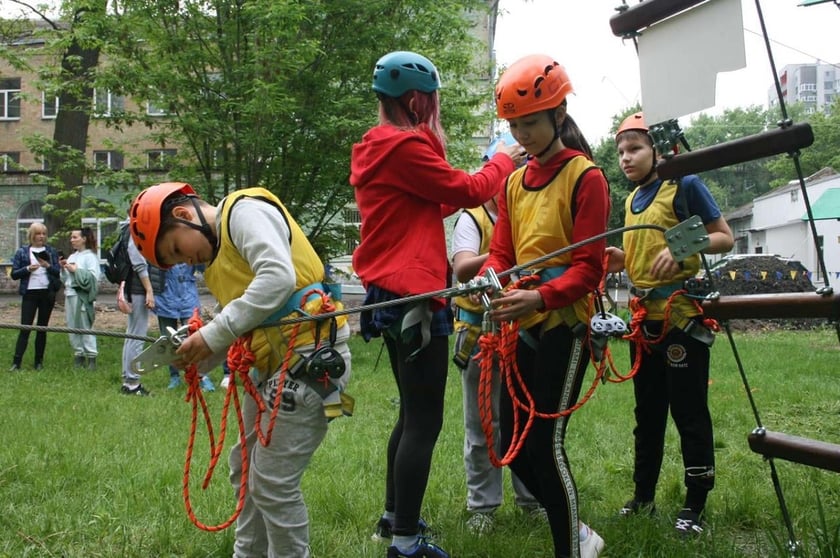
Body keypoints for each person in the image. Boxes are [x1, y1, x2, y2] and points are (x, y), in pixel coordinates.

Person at [350, 50, 526, 558]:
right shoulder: (404, 146)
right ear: (412, 100)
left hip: (391, 292)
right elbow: (468, 188)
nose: (432, 110)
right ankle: (406, 542)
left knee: (411, 413)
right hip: (415, 296)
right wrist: (501, 161)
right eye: (429, 101)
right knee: (426, 420)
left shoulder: (380, 147)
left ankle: (392, 517)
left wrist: (474, 182)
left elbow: (439, 199)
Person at [128, 181, 353, 558]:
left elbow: (277, 278)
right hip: (273, 368)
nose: (188, 262)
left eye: (178, 251)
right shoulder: (219, 265)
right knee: (246, 470)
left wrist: (214, 334)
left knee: (272, 483)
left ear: (184, 216)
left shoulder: (243, 212)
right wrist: (197, 356)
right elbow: (246, 323)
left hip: (311, 358)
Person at [476, 54, 609, 558]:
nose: (522, 134)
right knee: (514, 447)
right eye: (514, 125)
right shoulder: (513, 182)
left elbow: (588, 268)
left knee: (544, 447)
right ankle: (579, 530)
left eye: (530, 123)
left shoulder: (585, 177)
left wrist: (539, 295)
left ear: (558, 116)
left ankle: (571, 548)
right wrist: (492, 280)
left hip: (565, 325)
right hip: (523, 323)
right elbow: (502, 253)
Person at [607, 112, 734, 535]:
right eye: (621, 151)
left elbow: (723, 235)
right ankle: (643, 496)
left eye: (636, 148)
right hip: (643, 323)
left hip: (680, 319)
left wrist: (682, 248)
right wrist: (619, 259)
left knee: (689, 412)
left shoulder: (684, 186)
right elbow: (645, 256)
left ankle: (694, 505)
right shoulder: (629, 201)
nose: (626, 158)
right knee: (648, 413)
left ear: (659, 149)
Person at [450, 131, 541, 535]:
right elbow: (463, 267)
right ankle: (483, 506)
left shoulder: (528, 211)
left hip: (523, 330)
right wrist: (506, 254)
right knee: (482, 426)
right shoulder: (474, 217)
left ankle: (531, 497)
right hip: (481, 336)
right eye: (510, 167)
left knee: (525, 417)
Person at [153, 262, 215, 392]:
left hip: (188, 296)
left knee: (195, 337)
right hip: (165, 297)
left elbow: (204, 266)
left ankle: (202, 376)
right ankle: (174, 376)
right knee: (168, 340)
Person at [9, 222, 62, 371]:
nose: (41, 237)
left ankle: (38, 362)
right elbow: (14, 274)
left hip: (46, 293)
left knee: (42, 328)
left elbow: (57, 272)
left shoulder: (50, 251)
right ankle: (16, 362)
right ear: (32, 235)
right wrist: (27, 269)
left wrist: (47, 266)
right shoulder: (22, 252)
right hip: (30, 293)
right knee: (25, 327)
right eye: (38, 234)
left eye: (44, 234)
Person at [117, 231, 159, 393]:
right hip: (137, 290)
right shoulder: (134, 232)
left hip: (134, 289)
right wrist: (149, 289)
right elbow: (139, 263)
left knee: (132, 334)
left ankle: (129, 379)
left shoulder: (127, 230)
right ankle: (132, 383)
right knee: (137, 335)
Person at [60, 227, 100, 368]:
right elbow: (65, 279)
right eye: (71, 237)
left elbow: (93, 278)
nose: (72, 240)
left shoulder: (90, 257)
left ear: (84, 239)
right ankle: (79, 354)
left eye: (75, 237)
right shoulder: (72, 257)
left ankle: (91, 357)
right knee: (72, 325)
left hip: (82, 296)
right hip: (70, 294)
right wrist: (63, 268)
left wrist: (76, 270)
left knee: (85, 325)